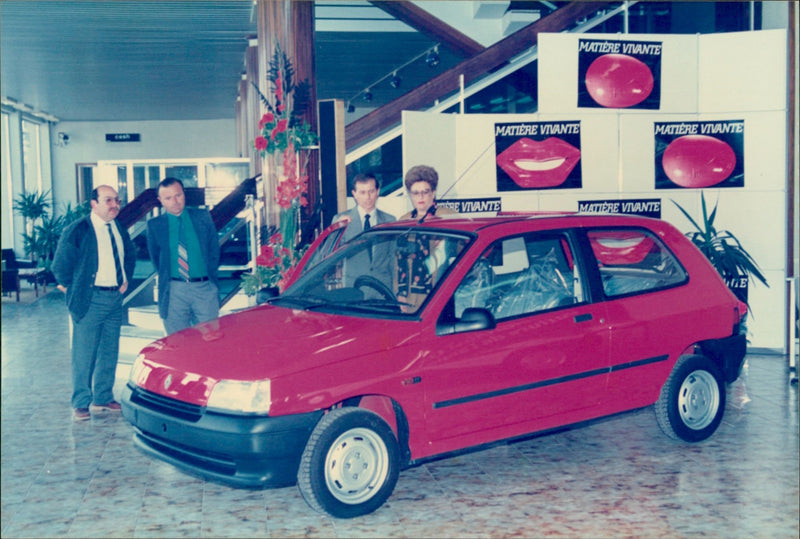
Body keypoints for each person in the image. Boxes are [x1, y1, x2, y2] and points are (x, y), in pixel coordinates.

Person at [52, 185, 136, 421]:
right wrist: (74, 289)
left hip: (114, 298)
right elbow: (60, 266)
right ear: (93, 204)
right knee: (84, 354)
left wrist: (125, 278)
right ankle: (81, 403)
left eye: (117, 200)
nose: (114, 205)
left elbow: (128, 255)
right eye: (108, 200)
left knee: (109, 350)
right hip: (90, 300)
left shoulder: (118, 227)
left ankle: (102, 397)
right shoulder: (78, 230)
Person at [146, 178, 220, 335]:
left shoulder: (203, 217)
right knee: (178, 342)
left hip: (204, 289)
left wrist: (209, 280)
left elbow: (214, 251)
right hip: (174, 291)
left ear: (184, 194)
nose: (175, 201)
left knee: (211, 340)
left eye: (178, 195)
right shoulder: (155, 225)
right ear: (160, 201)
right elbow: (156, 258)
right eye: (168, 198)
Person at [333, 172, 396, 240]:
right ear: (354, 194)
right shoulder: (340, 220)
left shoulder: (390, 221)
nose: (367, 197)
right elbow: (332, 248)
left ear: (377, 192)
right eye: (362, 192)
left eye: (371, 191)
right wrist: (336, 229)